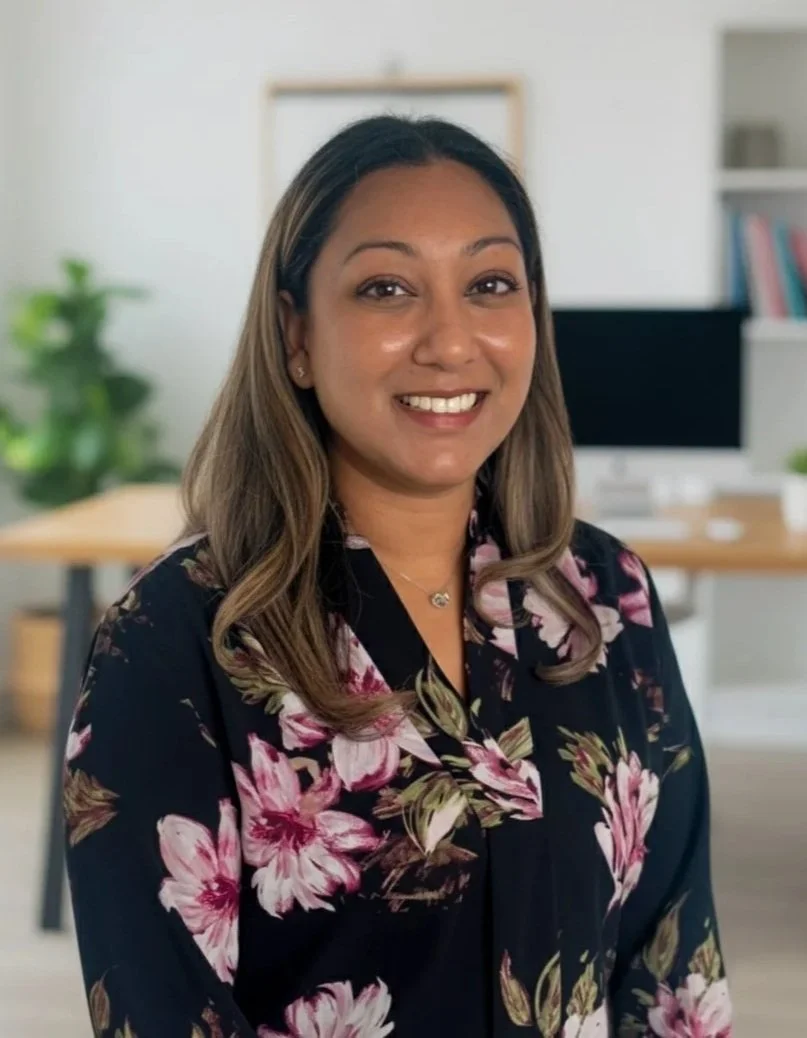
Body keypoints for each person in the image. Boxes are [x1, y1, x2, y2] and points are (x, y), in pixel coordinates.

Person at [64, 115, 733, 1038]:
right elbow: (162, 1010)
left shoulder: (600, 594)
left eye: (489, 284)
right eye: (386, 289)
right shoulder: (177, 635)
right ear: (295, 334)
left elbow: (671, 959)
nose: (450, 342)